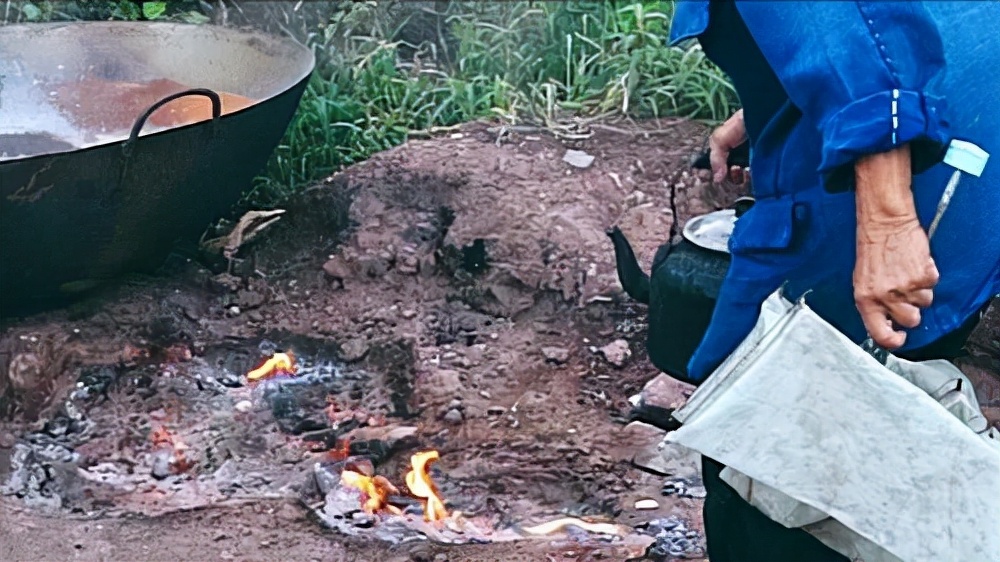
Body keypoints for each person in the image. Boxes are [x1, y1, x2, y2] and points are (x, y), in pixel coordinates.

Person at [667, 1, 1000, 561]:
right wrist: (776, 102)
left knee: (782, 433)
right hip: (964, 143)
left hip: (903, 191)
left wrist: (889, 219)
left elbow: (850, 13)